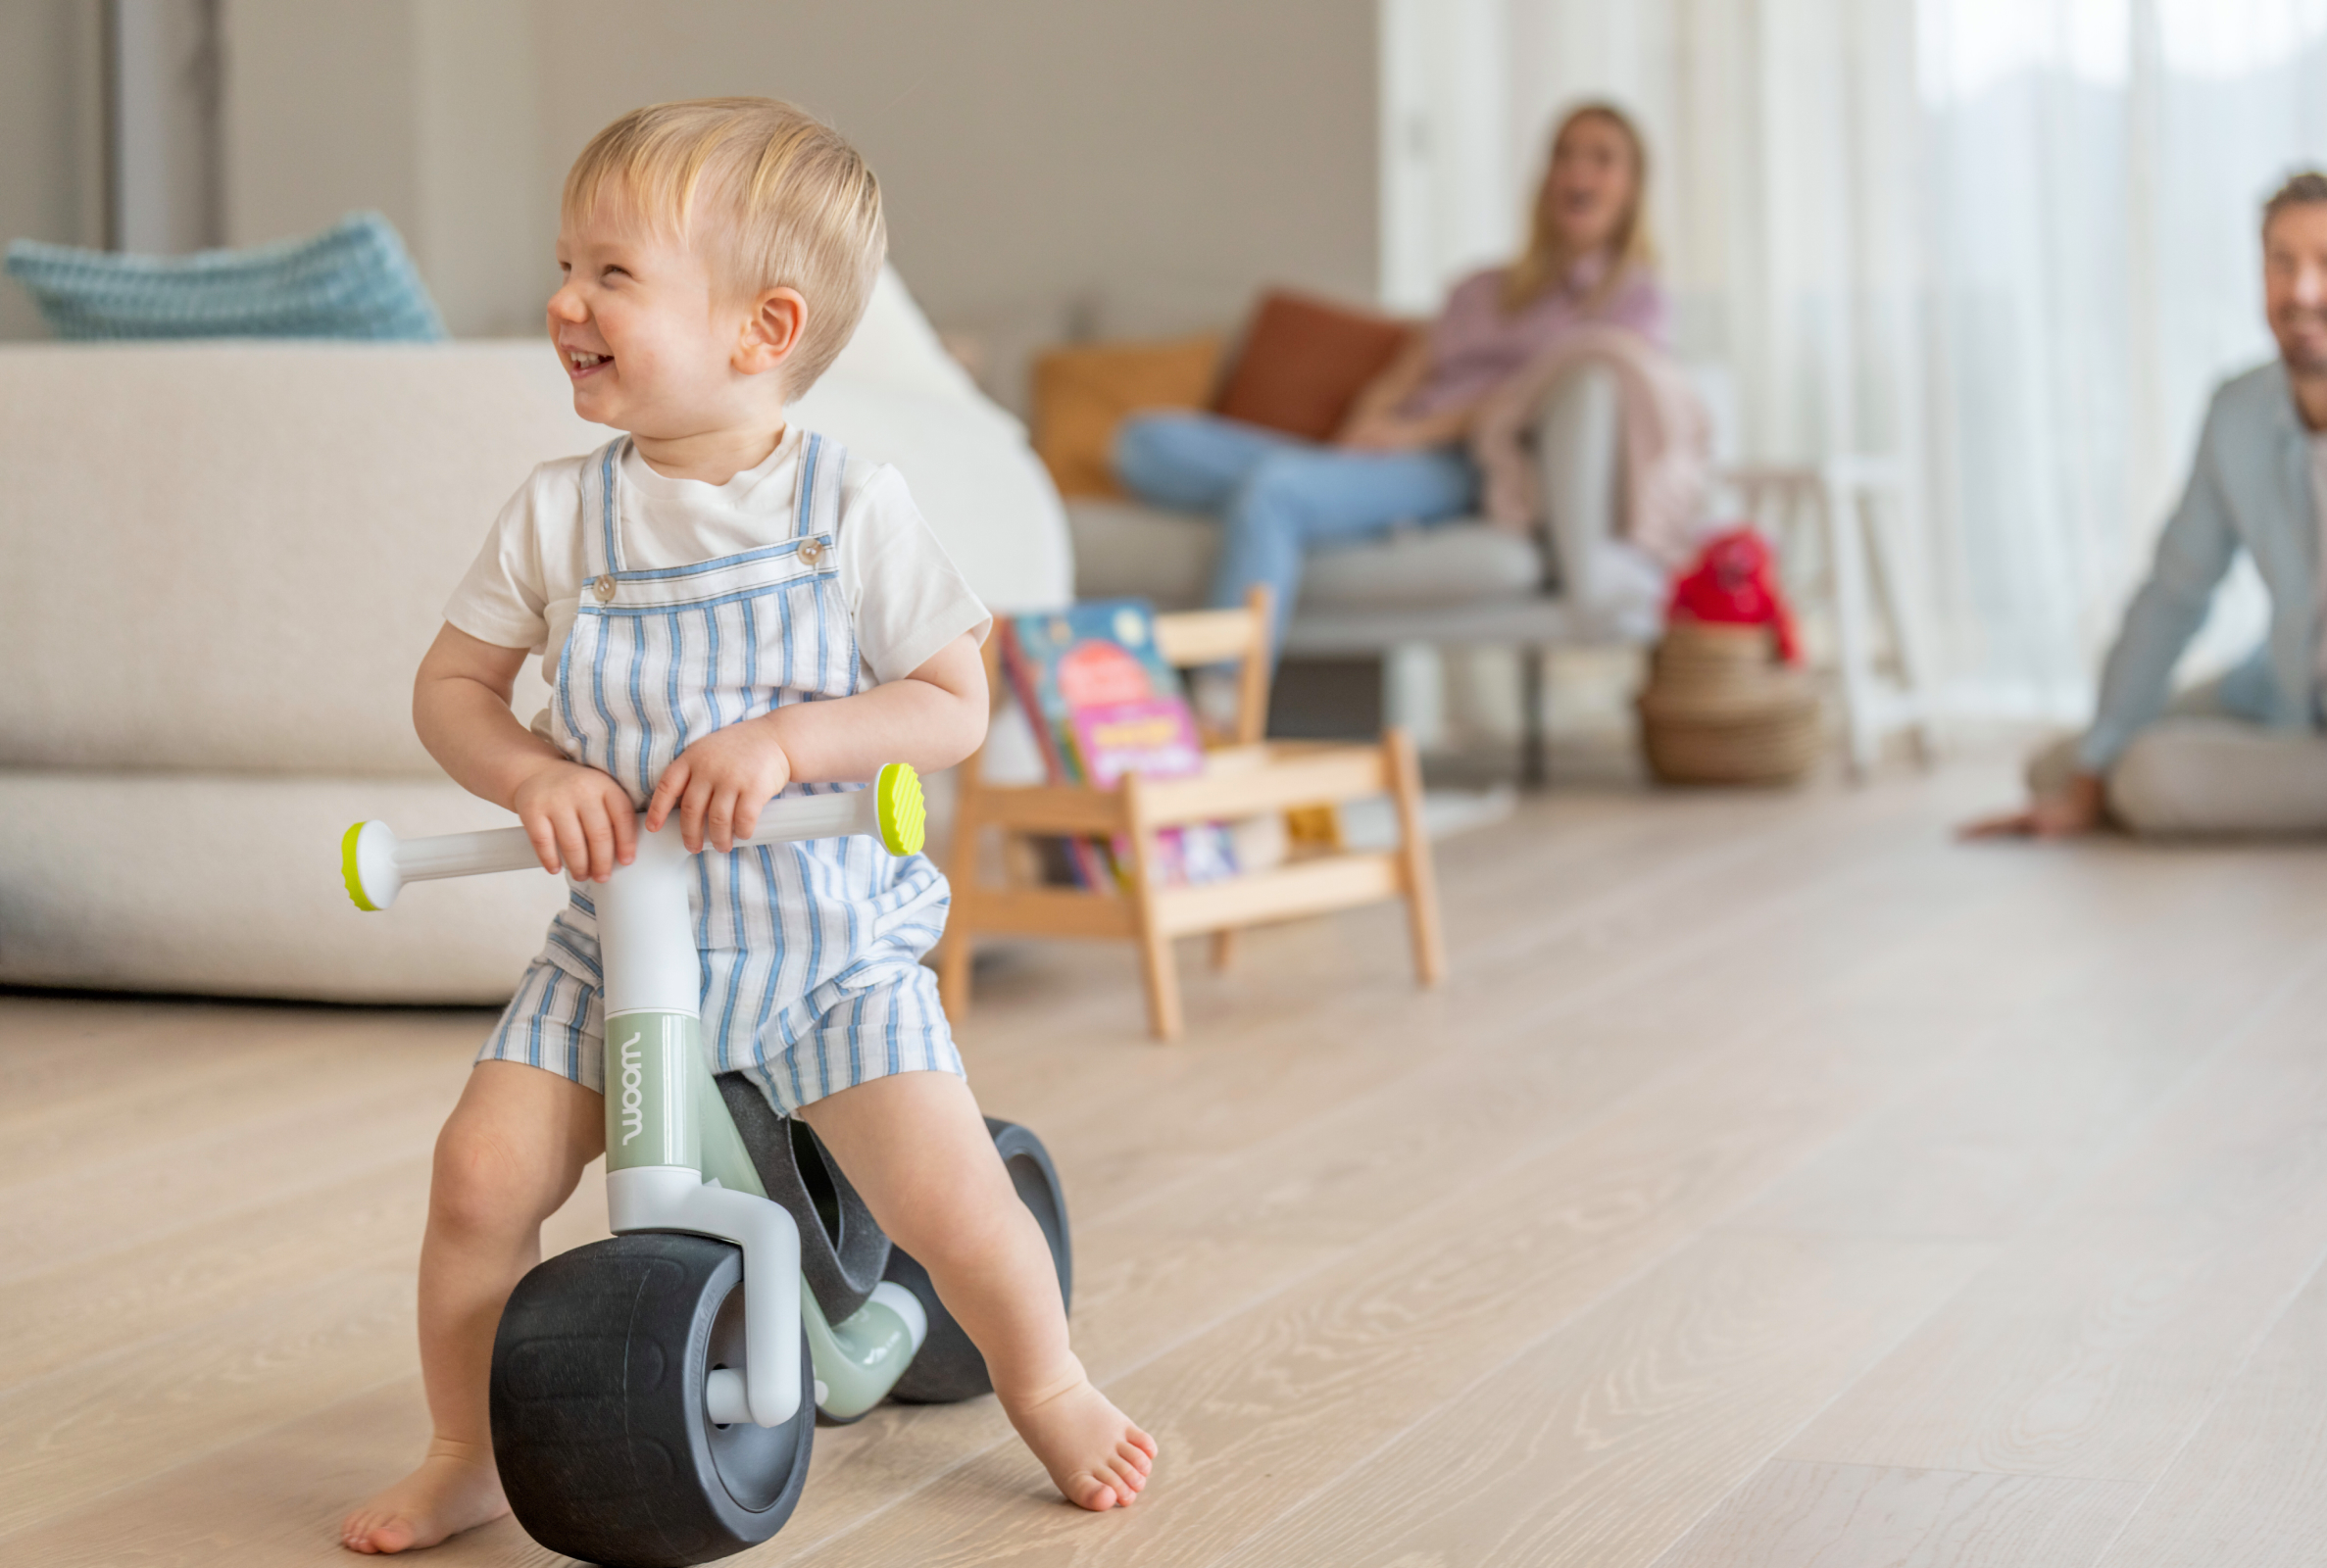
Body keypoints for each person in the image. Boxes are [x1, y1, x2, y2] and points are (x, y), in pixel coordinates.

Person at [339, 99, 1155, 1555]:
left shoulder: (849, 506)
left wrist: (791, 741)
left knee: (951, 1193)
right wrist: (532, 774)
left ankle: (1051, 1382)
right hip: (618, 943)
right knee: (478, 1177)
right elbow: (452, 688)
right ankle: (469, 1440)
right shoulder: (558, 518)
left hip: (822, 947)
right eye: (565, 265)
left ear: (759, 328)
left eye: (612, 275)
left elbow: (952, 698)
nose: (562, 301)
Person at [1114, 102, 1670, 644]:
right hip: (1391, 444)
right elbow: (1408, 372)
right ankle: (1341, 500)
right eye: (1564, 154)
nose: (1578, 171)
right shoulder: (1481, 288)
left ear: (1632, 185)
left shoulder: (1630, 299)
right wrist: (1366, 427)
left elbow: (1522, 402)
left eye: (1602, 158)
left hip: (1462, 461)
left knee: (1274, 493)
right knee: (1144, 444)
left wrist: (1410, 436)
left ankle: (1221, 701)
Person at [1968, 172, 2327, 839]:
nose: (2303, 292)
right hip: (2287, 694)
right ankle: (2111, 778)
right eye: (2282, 263)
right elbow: (2173, 595)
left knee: (2149, 778)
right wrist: (2091, 775)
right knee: (2063, 766)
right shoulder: (2238, 412)